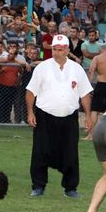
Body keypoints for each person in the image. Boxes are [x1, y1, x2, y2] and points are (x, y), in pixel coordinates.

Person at [26, 35, 93, 198]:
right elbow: (30, 91)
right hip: (44, 115)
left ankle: (70, 188)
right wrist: (30, 112)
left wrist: (89, 116)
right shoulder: (42, 68)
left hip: (69, 116)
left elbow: (85, 94)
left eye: (60, 50)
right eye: (55, 49)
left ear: (67, 50)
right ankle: (38, 186)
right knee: (40, 151)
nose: (57, 53)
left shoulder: (77, 69)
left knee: (70, 151)